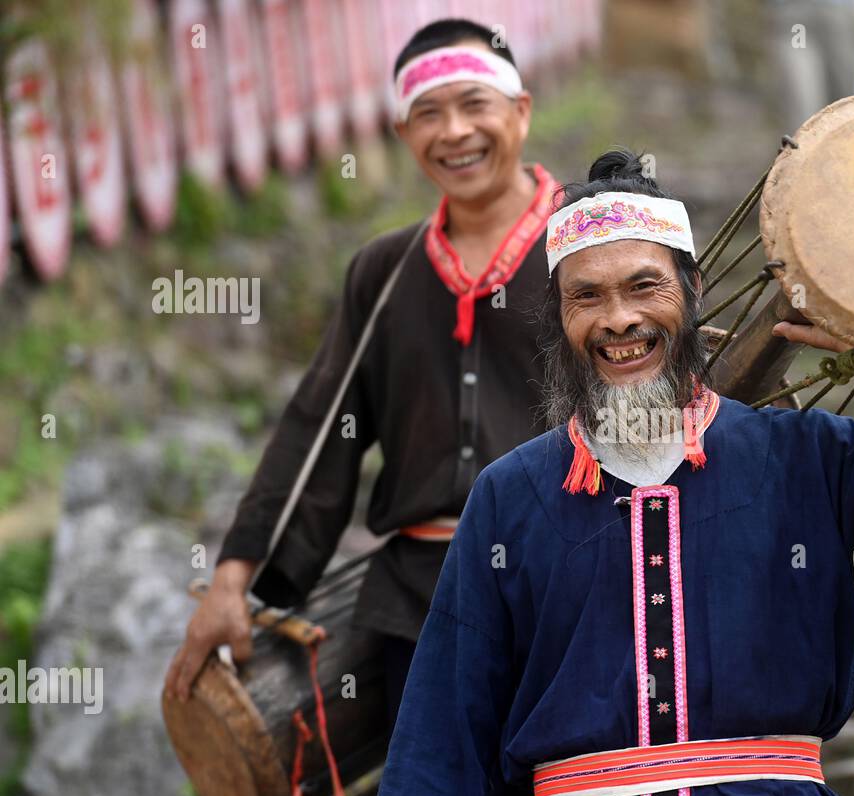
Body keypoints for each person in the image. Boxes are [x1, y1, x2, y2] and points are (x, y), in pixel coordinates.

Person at [362, 149, 854, 796]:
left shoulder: (805, 456)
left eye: (645, 286)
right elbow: (441, 741)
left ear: (692, 287)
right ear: (557, 316)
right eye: (587, 296)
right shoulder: (510, 497)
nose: (620, 319)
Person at [164, 18, 559, 738]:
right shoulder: (385, 272)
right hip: (423, 608)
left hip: (574, 588)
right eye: (428, 114)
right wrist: (233, 578)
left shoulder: (589, 243)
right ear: (403, 132)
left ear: (521, 112)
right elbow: (319, 429)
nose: (455, 132)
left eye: (476, 104)